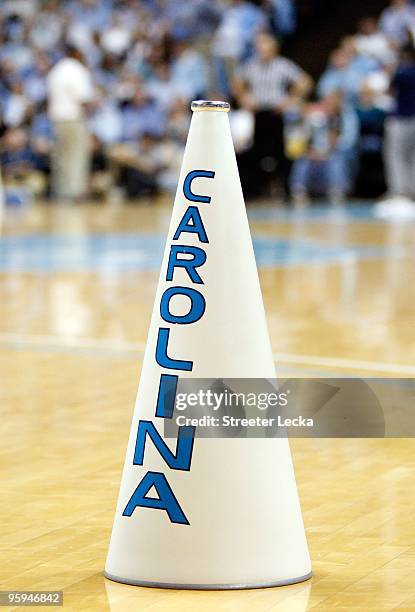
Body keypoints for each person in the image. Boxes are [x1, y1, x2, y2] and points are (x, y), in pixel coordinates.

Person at [232, 31, 312, 196]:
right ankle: (253, 190)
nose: (261, 48)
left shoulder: (282, 65)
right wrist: (244, 98)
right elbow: (236, 82)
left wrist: (290, 100)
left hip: (276, 114)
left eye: (265, 44)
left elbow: (305, 82)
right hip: (259, 114)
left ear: (274, 47)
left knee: (281, 153)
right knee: (255, 153)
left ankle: (285, 190)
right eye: (259, 45)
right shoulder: (251, 65)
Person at [289, 92, 359, 205]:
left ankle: (337, 191)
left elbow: (345, 141)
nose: (328, 105)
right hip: (318, 152)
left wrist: (330, 148)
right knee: (302, 159)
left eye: (332, 102)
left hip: (336, 152)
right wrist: (313, 152)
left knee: (336, 159)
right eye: (326, 102)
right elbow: (310, 139)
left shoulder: (344, 117)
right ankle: (298, 191)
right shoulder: (318, 118)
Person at [47, 45, 94, 201]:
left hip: (56, 119)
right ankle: (74, 192)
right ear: (76, 53)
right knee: (76, 155)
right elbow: (84, 98)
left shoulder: (56, 70)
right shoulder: (77, 69)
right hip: (73, 117)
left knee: (60, 156)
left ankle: (60, 192)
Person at [382, 44, 415, 205]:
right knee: (413, 155)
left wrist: (391, 69)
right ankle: (412, 191)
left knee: (396, 155)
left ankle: (399, 191)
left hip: (401, 119)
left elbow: (389, 90)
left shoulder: (401, 72)